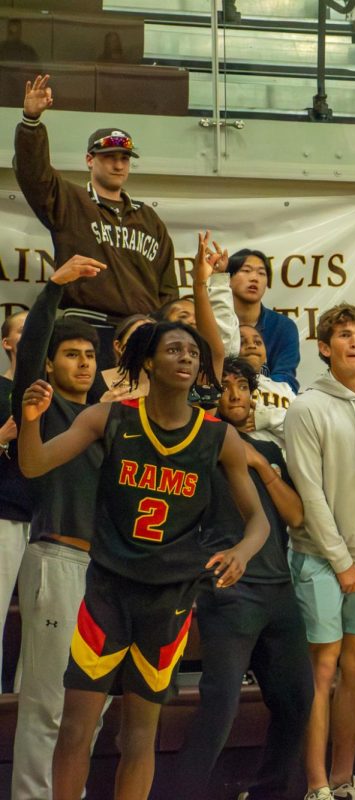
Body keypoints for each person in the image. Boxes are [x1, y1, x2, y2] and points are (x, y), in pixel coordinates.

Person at [18, 318, 268, 800]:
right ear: (148, 360)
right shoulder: (108, 418)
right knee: (74, 729)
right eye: (174, 349)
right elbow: (33, 464)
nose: (186, 358)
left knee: (138, 735)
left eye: (193, 353)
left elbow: (257, 520)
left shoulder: (218, 437)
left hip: (169, 600)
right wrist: (31, 421)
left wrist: (241, 551)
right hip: (108, 591)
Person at [175, 357, 313, 800]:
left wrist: (259, 464)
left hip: (278, 592)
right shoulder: (196, 448)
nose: (235, 394)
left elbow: (295, 515)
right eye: (226, 386)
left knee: (297, 703)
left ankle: (267, 792)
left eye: (242, 386)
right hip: (229, 592)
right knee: (220, 709)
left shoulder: (269, 451)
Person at [284, 303, 355, 800]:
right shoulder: (306, 406)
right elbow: (309, 494)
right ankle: (316, 786)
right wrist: (343, 562)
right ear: (324, 348)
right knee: (323, 669)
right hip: (319, 558)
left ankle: (343, 779)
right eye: (344, 335)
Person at [9, 257, 107, 797]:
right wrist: (54, 289)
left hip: (104, 572)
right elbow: (28, 354)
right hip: (55, 559)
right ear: (49, 365)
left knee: (88, 707)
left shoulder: (108, 418)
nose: (85, 364)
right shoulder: (40, 406)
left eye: (91, 355)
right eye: (72, 354)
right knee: (47, 701)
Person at [15, 75, 177, 370]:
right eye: (109, 157)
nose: (118, 165)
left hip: (141, 334)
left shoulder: (149, 219)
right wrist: (31, 122)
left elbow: (167, 288)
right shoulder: (71, 201)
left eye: (125, 158)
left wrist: (160, 330)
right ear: (90, 160)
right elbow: (33, 174)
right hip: (87, 330)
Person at [0, 308, 30, 690]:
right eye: (22, 330)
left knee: (46, 621)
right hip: (4, 515)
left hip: (44, 521)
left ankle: (30, 698)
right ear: (7, 343)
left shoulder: (54, 391)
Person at [228, 248, 302, 393]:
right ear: (228, 279)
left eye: (261, 273)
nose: (254, 278)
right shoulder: (215, 322)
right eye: (246, 270)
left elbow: (285, 377)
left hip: (270, 405)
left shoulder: (283, 327)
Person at [238, 324, 295, 451]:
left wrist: (267, 418)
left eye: (258, 342)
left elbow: (303, 431)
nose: (252, 345)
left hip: (285, 465)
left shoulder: (284, 389)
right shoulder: (225, 388)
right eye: (242, 342)